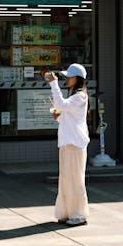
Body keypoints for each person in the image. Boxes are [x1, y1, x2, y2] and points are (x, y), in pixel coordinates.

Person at [43, 63, 90, 226]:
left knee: (74, 180)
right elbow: (68, 117)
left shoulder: (80, 96)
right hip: (69, 143)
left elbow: (61, 105)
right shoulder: (76, 95)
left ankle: (78, 215)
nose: (66, 79)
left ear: (77, 79)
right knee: (66, 180)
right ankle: (68, 213)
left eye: (69, 77)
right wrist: (59, 117)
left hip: (74, 144)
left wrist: (53, 83)